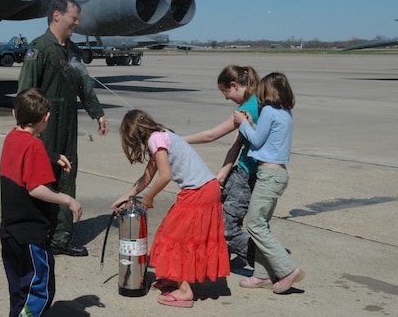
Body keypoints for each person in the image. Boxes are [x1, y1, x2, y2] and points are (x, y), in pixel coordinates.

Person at [17, 0, 109, 257]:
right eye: (74, 18)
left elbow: (84, 86)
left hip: (68, 124)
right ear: (57, 15)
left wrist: (98, 113)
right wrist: (26, 130)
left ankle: (61, 238)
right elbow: (25, 92)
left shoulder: (73, 52)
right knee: (41, 178)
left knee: (67, 176)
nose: (77, 23)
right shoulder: (39, 49)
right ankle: (37, 233)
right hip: (43, 126)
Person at [111, 109, 230, 308]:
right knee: (174, 234)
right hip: (205, 189)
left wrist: (149, 196)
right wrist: (128, 195)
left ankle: (185, 291)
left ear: (135, 135)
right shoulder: (162, 136)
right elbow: (147, 176)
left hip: (199, 191)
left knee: (178, 237)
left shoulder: (155, 140)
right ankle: (176, 279)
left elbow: (164, 176)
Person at [0, 87, 83, 316]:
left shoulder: (12, 137)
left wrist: (52, 156)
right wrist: (68, 200)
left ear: (14, 114)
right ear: (46, 118)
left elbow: (24, 153)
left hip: (10, 232)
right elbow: (35, 188)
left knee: (19, 290)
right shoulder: (34, 145)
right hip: (31, 234)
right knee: (39, 291)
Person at [233, 72, 305, 293]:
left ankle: (287, 269)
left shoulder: (269, 111)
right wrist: (253, 123)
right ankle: (262, 275)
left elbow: (254, 140)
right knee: (261, 224)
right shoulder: (285, 112)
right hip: (279, 175)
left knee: (254, 224)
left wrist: (243, 123)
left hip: (268, 176)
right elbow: (266, 139)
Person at [183, 65, 260, 267]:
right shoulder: (254, 104)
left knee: (228, 229)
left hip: (249, 175)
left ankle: (268, 264)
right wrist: (221, 178)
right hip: (240, 172)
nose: (226, 98)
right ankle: (212, 257)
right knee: (209, 210)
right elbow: (236, 147)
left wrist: (177, 140)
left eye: (226, 93)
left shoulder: (248, 109)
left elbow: (212, 135)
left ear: (234, 86)